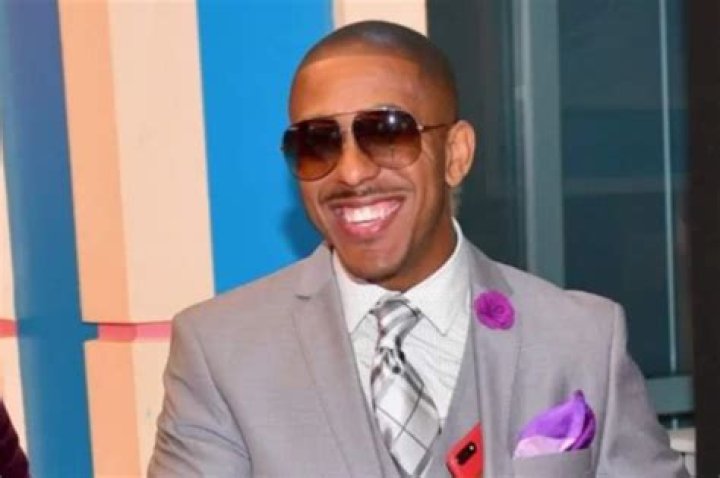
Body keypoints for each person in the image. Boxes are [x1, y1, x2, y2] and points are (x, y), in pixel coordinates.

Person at [149, 20, 687, 477]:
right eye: (317, 143)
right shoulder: (220, 352)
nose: (351, 172)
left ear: (456, 154)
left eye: (386, 133)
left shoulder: (581, 339)